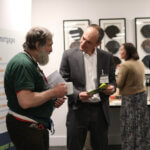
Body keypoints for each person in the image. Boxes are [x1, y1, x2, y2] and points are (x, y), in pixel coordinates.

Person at [4, 27, 67, 150]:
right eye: (49, 45)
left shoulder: (29, 62)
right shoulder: (23, 64)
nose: (51, 50)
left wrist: (51, 100)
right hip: (26, 126)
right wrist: (53, 92)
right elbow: (26, 101)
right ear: (38, 45)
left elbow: (34, 93)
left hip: (34, 124)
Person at [60, 24, 116, 150]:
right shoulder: (68, 55)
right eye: (83, 38)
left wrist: (112, 88)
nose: (83, 43)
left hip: (100, 111)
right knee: (74, 146)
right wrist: (77, 95)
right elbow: (63, 81)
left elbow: (113, 81)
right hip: (78, 109)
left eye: (88, 42)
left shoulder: (106, 57)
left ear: (98, 44)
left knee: (100, 146)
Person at [116, 43, 150, 150]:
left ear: (128, 52)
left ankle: (129, 147)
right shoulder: (139, 63)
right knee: (140, 125)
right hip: (141, 97)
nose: (120, 52)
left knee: (129, 126)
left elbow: (119, 84)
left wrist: (116, 74)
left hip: (130, 99)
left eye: (122, 50)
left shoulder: (125, 65)